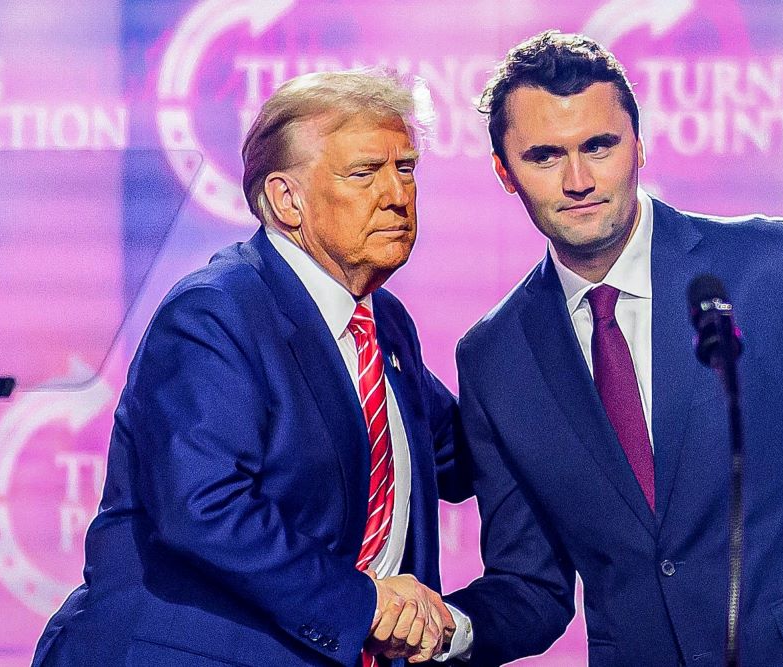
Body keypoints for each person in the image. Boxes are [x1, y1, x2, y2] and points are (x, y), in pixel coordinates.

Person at [444, 31, 783, 666]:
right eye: (545, 156)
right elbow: (531, 584)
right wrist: (443, 628)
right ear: (504, 172)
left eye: (599, 146)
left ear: (639, 144)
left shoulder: (776, 269)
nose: (578, 180)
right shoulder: (495, 357)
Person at [32, 69, 472, 666]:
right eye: (365, 172)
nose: (397, 194)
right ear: (288, 200)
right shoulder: (215, 312)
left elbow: (462, 459)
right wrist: (362, 606)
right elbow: (204, 507)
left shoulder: (384, 323)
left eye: (407, 168)